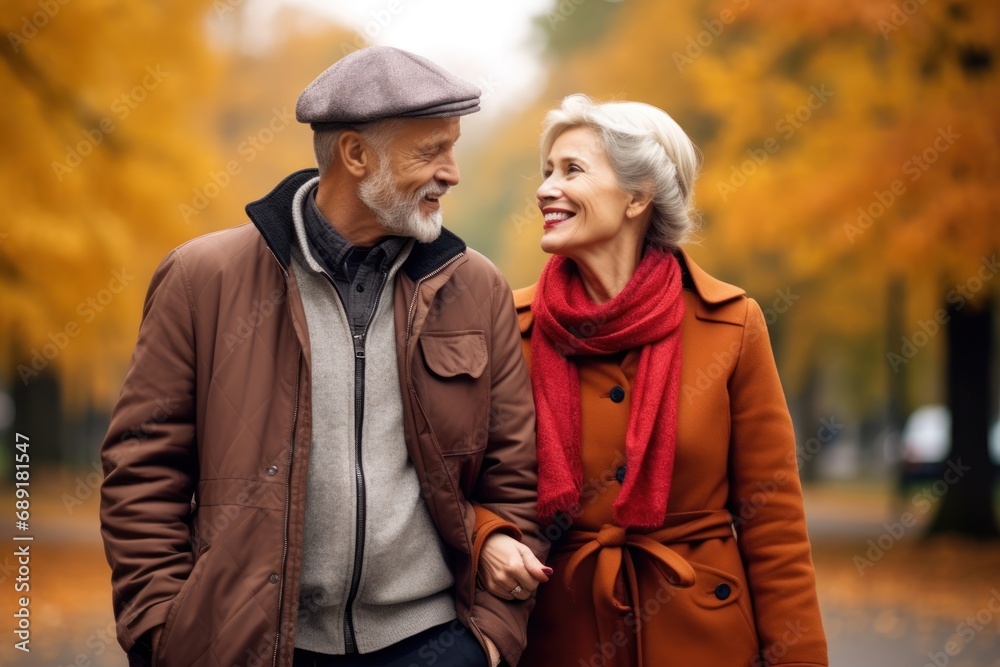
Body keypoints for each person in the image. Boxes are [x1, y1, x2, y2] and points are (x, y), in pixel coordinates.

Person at [99, 46, 548, 667]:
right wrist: (163, 632)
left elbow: (513, 473)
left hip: (435, 642)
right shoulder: (203, 278)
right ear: (356, 155)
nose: (452, 171)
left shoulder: (475, 286)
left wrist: (492, 639)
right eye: (430, 151)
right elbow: (143, 471)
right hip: (256, 647)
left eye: (454, 147)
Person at [512, 95, 829, 666]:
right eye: (547, 171)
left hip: (704, 637)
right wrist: (490, 539)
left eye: (572, 170)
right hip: (561, 637)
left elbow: (773, 521)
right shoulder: (511, 328)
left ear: (638, 196)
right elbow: (469, 484)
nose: (545, 189)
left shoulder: (731, 323)